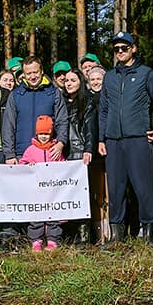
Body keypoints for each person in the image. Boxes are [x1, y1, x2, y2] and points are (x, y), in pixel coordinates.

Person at [95, 32, 153, 242]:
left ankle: (149, 232)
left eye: (124, 48)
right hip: (114, 141)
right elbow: (104, 109)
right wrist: (101, 138)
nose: (120, 52)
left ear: (133, 49)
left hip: (138, 139)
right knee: (115, 189)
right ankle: (117, 235)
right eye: (116, 49)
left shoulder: (145, 73)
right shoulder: (110, 76)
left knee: (144, 187)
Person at [57, 66, 101, 244]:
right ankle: (69, 235)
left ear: (80, 82)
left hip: (80, 154)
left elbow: (90, 128)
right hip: (63, 155)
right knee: (66, 195)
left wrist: (88, 149)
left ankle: (84, 237)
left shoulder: (87, 102)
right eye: (66, 80)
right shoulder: (60, 102)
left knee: (83, 195)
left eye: (73, 80)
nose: (69, 83)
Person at [3, 58, 70, 164]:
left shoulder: (54, 93)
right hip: (22, 155)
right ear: (24, 74)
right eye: (29, 73)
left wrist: (61, 143)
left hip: (49, 154)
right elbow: (8, 126)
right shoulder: (15, 95)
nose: (32, 76)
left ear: (42, 71)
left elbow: (62, 121)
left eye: (35, 72)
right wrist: (9, 154)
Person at [20, 115, 66, 251]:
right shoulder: (31, 150)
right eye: (41, 134)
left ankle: (52, 240)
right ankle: (36, 241)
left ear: (51, 133)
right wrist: (29, 165)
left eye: (46, 133)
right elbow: (22, 165)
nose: (44, 137)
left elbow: (63, 166)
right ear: (36, 133)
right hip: (36, 192)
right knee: (36, 216)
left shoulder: (55, 150)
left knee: (53, 217)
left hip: (52, 192)